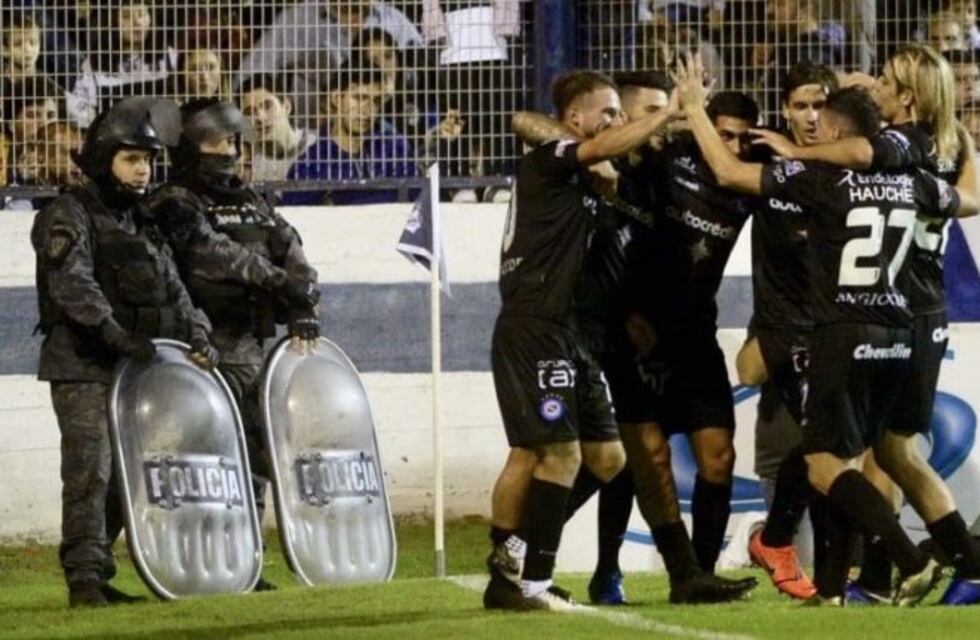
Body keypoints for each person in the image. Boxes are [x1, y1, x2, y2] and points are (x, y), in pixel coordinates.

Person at [677, 54, 977, 606]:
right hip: (912, 322)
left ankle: (900, 564)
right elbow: (972, 199)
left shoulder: (828, 170)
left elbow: (730, 172)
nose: (814, 121)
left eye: (887, 81)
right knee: (892, 452)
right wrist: (959, 134)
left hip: (845, 325)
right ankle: (949, 571)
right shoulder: (919, 175)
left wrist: (697, 110)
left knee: (825, 459)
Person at [484, 70, 685, 612]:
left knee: (607, 456)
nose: (618, 122)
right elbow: (536, 126)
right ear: (574, 121)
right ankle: (529, 583)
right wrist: (665, 113)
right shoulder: (550, 158)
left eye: (622, 113)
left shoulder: (587, 174)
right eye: (610, 111)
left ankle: (515, 556)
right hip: (536, 324)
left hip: (571, 332)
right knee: (548, 454)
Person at [30, 97, 217, 608]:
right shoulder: (67, 214)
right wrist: (115, 335)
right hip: (84, 365)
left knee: (128, 476)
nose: (143, 170)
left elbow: (175, 289)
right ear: (103, 158)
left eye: (148, 160)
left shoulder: (142, 219)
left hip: (136, 369)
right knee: (91, 471)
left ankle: (100, 570)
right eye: (131, 159)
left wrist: (198, 334)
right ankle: (84, 580)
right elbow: (73, 286)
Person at [145, 98, 321, 590]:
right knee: (203, 460)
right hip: (195, 346)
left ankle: (248, 562)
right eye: (218, 142)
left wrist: (303, 302)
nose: (230, 151)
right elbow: (209, 254)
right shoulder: (171, 200)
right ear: (189, 148)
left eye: (234, 142)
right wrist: (279, 281)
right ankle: (198, 559)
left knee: (254, 454)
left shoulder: (253, 200)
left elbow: (290, 248)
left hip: (250, 342)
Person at [737, 61, 840, 601]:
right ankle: (786, 546)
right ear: (783, 111)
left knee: (835, 448)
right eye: (800, 106)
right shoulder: (763, 157)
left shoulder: (857, 160)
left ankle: (807, 555)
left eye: (821, 105)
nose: (811, 116)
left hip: (837, 327)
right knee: (810, 444)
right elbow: (722, 167)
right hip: (784, 328)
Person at [235, 0, 422, 125]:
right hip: (313, 141)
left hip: (384, 138)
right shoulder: (298, 20)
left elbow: (426, 81)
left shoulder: (395, 22)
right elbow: (248, 76)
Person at [285, 59, 416, 205]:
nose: (368, 111)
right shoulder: (309, 167)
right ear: (336, 98)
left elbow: (419, 210)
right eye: (359, 98)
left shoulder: (396, 150)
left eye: (376, 101)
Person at [238, 74, 319, 182]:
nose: (260, 118)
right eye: (249, 112)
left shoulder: (320, 146)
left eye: (267, 106)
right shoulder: (250, 165)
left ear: (286, 106)